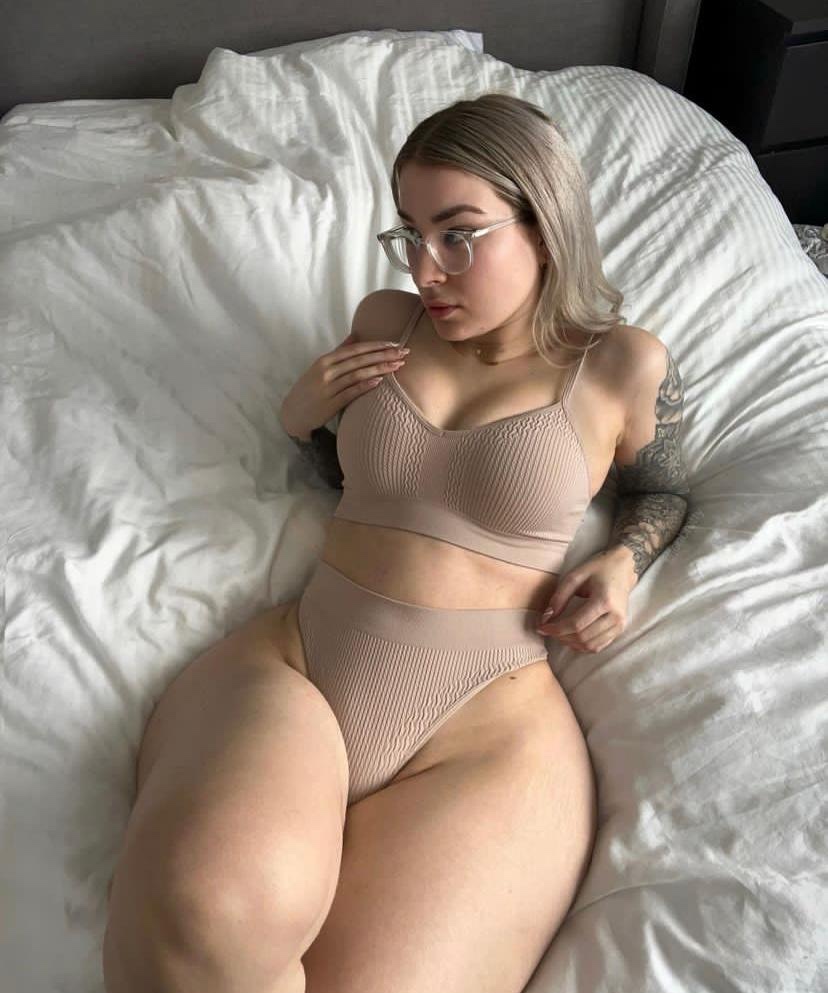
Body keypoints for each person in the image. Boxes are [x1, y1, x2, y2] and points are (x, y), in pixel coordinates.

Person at [103, 93, 690, 993]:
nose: (425, 269)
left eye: (458, 234)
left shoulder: (621, 364)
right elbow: (361, 478)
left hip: (482, 722)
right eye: (409, 234)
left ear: (544, 224)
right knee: (201, 922)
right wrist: (302, 417)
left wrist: (623, 559)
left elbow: (666, 487)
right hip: (301, 663)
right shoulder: (387, 321)